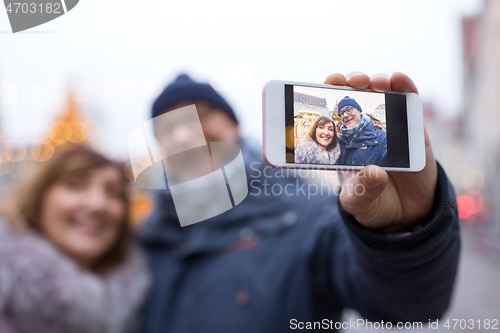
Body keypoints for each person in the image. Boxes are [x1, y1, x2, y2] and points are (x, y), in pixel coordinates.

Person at [140, 72, 460, 333]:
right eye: (169, 126)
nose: (186, 133)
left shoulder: (312, 214)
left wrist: (401, 233)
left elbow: (409, 306)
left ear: (235, 127)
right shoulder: (143, 236)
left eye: (202, 115)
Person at [0, 146, 151, 333]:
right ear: (38, 199)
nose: (97, 204)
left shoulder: (147, 301)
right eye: (76, 186)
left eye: (113, 193)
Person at [336, 95, 388, 166]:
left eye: (349, 110)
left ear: (359, 111)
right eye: (341, 113)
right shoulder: (339, 141)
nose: (345, 115)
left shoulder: (381, 138)